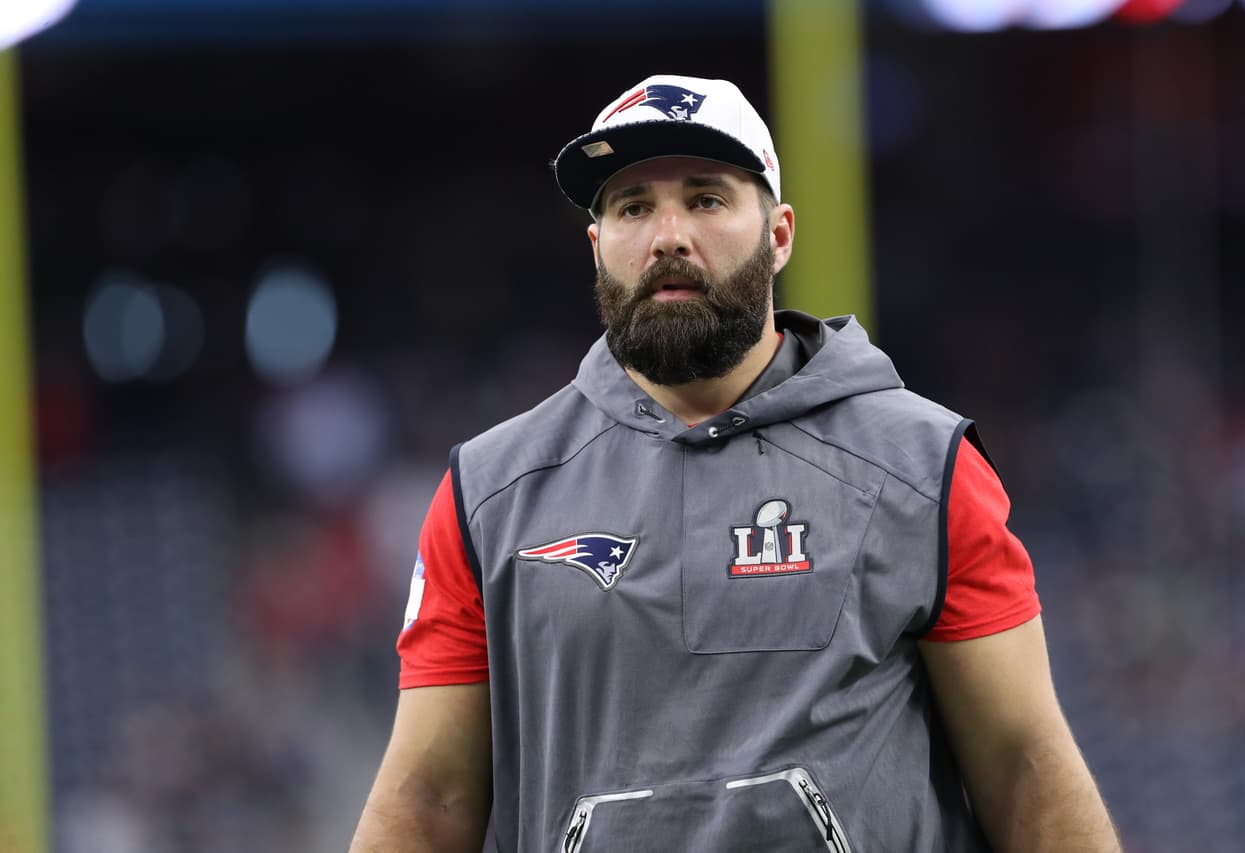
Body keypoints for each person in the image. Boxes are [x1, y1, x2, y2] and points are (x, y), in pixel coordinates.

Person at [350, 74, 1121, 853]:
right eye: (633, 207)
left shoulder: (923, 466)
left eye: (707, 199)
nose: (669, 236)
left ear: (779, 234)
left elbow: (1024, 767)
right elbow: (428, 796)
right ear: (597, 246)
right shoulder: (490, 494)